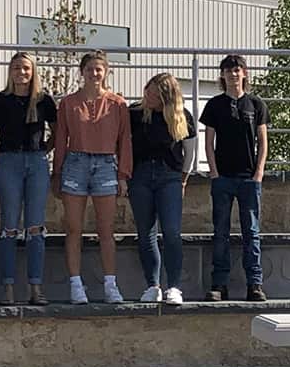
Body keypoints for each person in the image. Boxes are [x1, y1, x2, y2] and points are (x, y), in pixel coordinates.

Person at [53, 50, 131, 304]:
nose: (94, 74)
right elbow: (60, 140)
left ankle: (110, 284)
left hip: (106, 164)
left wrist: (123, 174)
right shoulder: (68, 103)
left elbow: (124, 141)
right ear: (82, 72)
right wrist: (58, 172)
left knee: (106, 229)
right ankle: (76, 285)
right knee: (74, 228)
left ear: (106, 71)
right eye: (90, 69)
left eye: (99, 69)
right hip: (75, 163)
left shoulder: (118, 104)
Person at [0, 52, 56, 305]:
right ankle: (8, 288)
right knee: (9, 227)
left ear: (33, 71)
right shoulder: (1, 101)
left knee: (35, 227)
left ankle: (36, 287)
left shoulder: (44, 101)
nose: (21, 73)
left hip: (36, 162)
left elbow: (57, 134)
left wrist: (44, 152)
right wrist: (3, 156)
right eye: (16, 68)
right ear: (10, 71)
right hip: (9, 162)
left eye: (25, 68)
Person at [200, 53, 269, 302]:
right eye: (228, 70)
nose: (233, 74)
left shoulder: (256, 104)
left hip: (249, 179)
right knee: (221, 232)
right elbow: (208, 142)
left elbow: (263, 142)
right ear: (222, 75)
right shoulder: (214, 105)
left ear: (244, 73)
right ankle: (219, 284)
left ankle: (255, 284)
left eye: (237, 69)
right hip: (223, 179)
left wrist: (258, 173)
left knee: (251, 231)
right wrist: (215, 173)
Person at [129, 72, 195, 304]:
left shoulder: (181, 116)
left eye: (154, 94)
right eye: (147, 91)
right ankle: (153, 285)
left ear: (165, 97)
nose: (148, 96)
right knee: (145, 232)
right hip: (140, 176)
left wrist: (183, 178)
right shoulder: (135, 113)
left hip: (170, 176)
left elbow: (190, 150)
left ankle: (174, 286)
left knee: (171, 232)